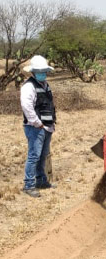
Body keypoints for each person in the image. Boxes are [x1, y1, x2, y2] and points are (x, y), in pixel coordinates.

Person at [21, 55, 57, 198]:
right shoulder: (29, 86)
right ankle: (29, 185)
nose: (43, 73)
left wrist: (49, 124)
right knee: (33, 156)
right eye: (40, 71)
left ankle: (41, 181)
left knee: (43, 155)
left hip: (47, 127)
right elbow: (27, 106)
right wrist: (37, 123)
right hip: (35, 127)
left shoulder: (45, 85)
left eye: (44, 71)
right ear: (33, 72)